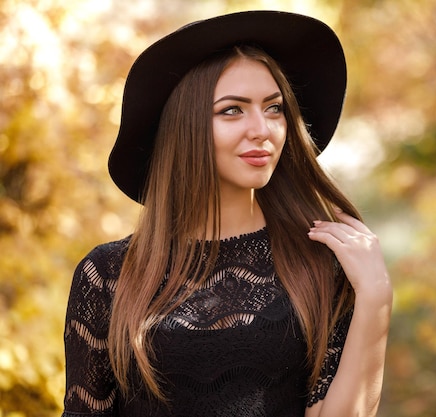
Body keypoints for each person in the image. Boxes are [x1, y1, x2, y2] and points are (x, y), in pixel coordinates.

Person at [63, 10, 392, 417]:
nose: (262, 128)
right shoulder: (109, 274)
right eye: (233, 110)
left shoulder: (322, 264)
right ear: (186, 127)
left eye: (274, 109)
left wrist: (375, 297)